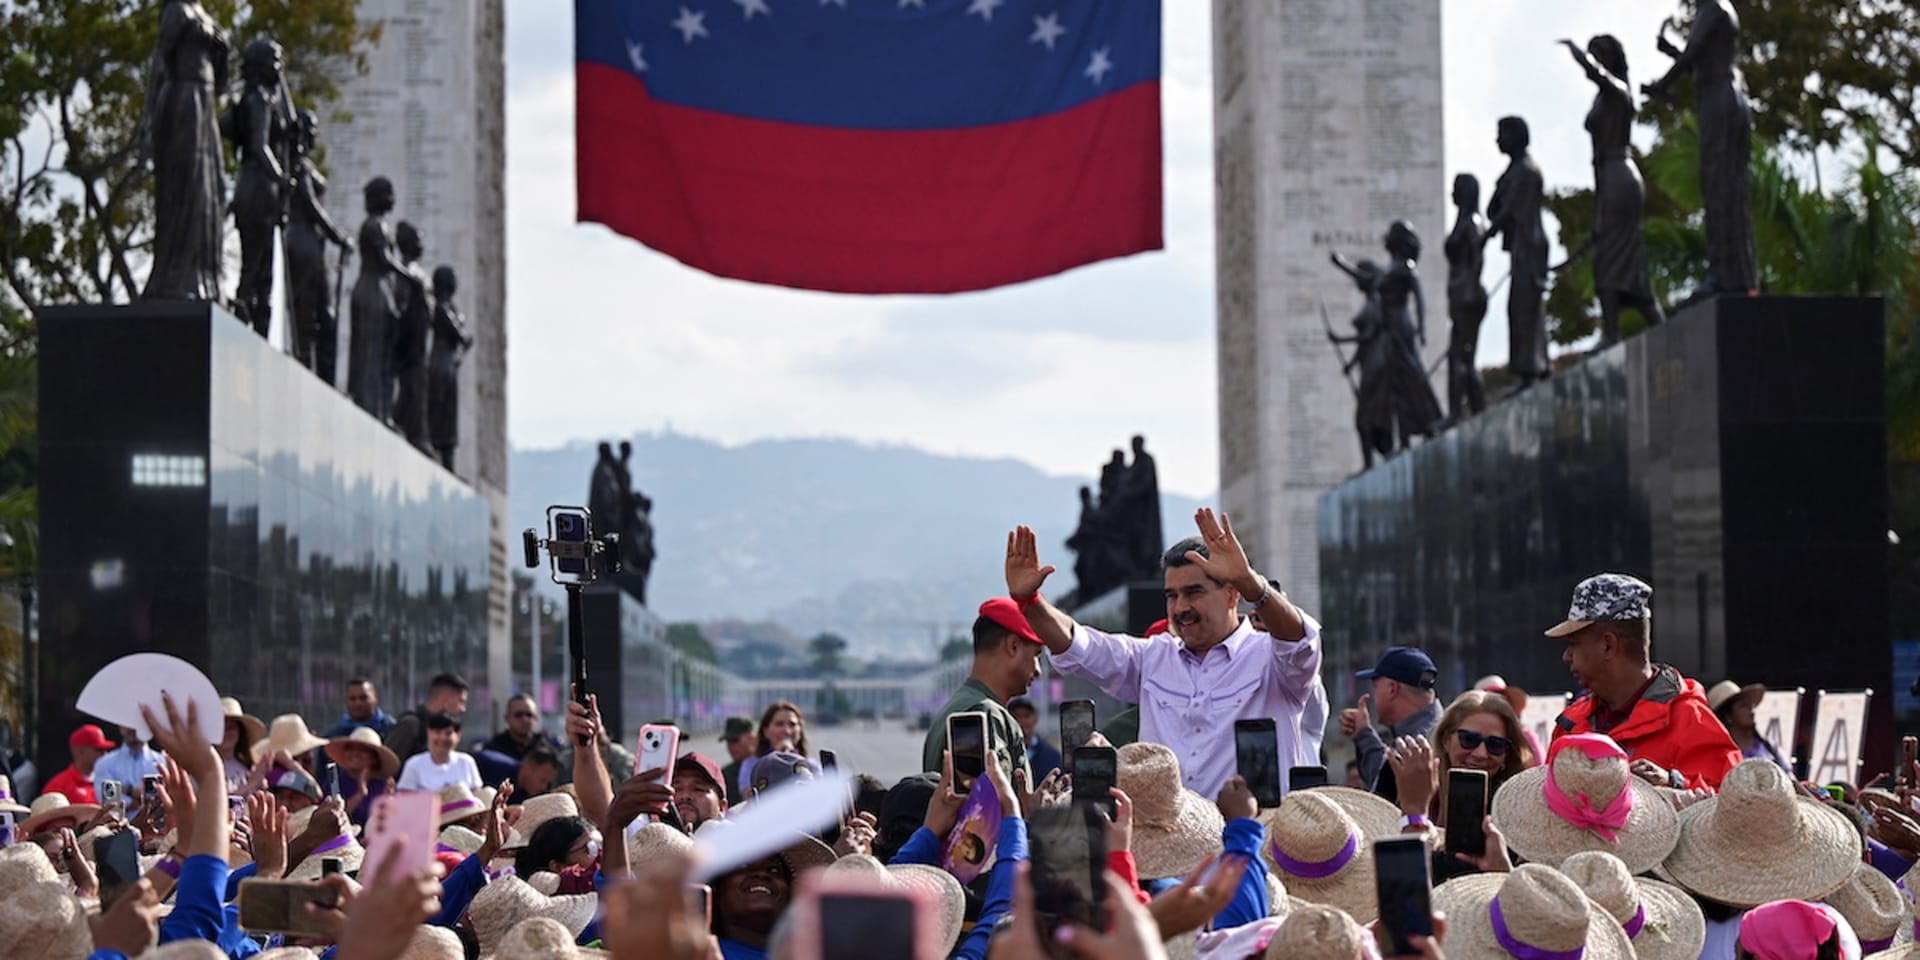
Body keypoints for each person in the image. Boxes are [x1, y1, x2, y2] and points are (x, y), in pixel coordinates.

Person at [1006, 508, 1321, 797]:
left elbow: (1299, 641)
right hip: (1168, 839)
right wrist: (1030, 603)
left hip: (1253, 837)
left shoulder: (1273, 661)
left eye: (1194, 592)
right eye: (1172, 595)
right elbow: (1080, 645)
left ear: (1231, 595)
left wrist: (1252, 583)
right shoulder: (1152, 658)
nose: (1181, 607)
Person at [1548, 573, 1740, 789]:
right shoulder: (1570, 724)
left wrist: (1673, 783)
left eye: (1574, 643)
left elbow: (1734, 801)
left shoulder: (1690, 721)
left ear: (1608, 645)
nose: (1566, 656)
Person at [922, 598, 1043, 786]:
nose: (1038, 670)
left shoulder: (955, 707)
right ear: (1013, 646)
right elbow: (990, 802)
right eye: (1036, 655)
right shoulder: (986, 713)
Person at [1341, 646, 1440, 802]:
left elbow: (1386, 801)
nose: (1374, 695)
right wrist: (1363, 733)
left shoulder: (1418, 745)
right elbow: (1385, 778)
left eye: (1375, 686)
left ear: (1392, 689)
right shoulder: (1433, 732)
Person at [1709, 680, 1793, 776]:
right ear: (1728, 717)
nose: (1752, 712)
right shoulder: (1719, 758)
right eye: (1743, 706)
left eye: (1750, 706)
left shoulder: (1770, 749)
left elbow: (1790, 779)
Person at [385, 672, 471, 762]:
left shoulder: (452, 730)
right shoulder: (410, 726)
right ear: (445, 698)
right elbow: (389, 764)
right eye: (461, 701)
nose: (463, 709)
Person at [396, 713, 482, 792]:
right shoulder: (414, 764)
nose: (442, 738)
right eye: (438, 732)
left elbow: (477, 796)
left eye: (448, 733)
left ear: (458, 736)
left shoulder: (466, 762)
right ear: (429, 733)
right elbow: (405, 798)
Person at [92, 726, 167, 801]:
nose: (133, 728)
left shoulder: (163, 762)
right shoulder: (105, 763)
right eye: (128, 724)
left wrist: (124, 791)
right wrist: (136, 795)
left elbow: (167, 797)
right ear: (121, 727)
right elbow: (110, 802)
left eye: (139, 724)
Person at [42, 724, 112, 803]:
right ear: (80, 752)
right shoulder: (58, 785)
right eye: (99, 750)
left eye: (105, 750)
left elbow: (114, 809)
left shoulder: (108, 781)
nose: (105, 754)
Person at [482, 694, 561, 762]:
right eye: (518, 715)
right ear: (507, 718)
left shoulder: (546, 749)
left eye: (529, 714)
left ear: (536, 719)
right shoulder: (493, 749)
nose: (524, 719)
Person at [1007, 696, 1063, 780]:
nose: (1021, 721)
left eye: (1026, 716)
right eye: (1015, 716)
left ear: (1035, 719)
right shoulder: (1000, 753)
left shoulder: (1052, 756)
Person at [671, 753, 729, 831]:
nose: (685, 796)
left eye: (698, 789)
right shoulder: (655, 834)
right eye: (677, 789)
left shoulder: (738, 836)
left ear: (722, 806)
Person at [324, 677, 397, 737]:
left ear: (375, 698)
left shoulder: (392, 729)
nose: (358, 703)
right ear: (346, 701)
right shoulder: (335, 736)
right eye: (353, 699)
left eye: (363, 698)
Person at [717, 716, 757, 806]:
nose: (731, 746)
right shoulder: (724, 775)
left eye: (735, 740)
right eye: (728, 742)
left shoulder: (769, 764)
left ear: (752, 737)